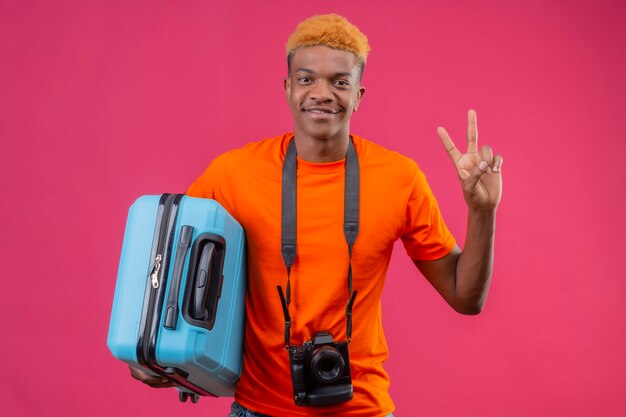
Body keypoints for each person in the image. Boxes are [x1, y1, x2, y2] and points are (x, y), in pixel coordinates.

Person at [129, 13, 502, 417]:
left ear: (359, 94)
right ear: (288, 89)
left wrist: (482, 212)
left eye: (339, 82)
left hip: (363, 410)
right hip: (258, 408)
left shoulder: (400, 179)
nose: (321, 93)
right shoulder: (233, 174)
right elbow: (167, 268)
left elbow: (466, 298)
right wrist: (144, 350)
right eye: (307, 79)